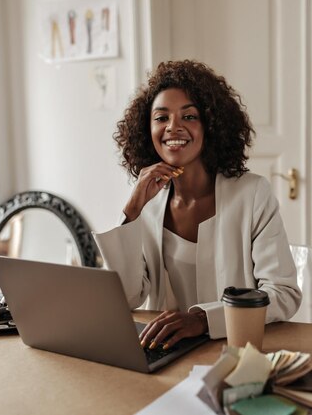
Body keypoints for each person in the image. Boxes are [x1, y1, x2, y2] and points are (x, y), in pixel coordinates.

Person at [93, 60, 300, 350]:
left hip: (240, 351)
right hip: (168, 353)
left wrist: (203, 320)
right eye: (161, 118)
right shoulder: (149, 204)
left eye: (189, 116)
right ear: (147, 129)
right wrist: (130, 213)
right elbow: (128, 298)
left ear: (210, 125)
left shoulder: (252, 194)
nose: (173, 127)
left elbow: (283, 293)